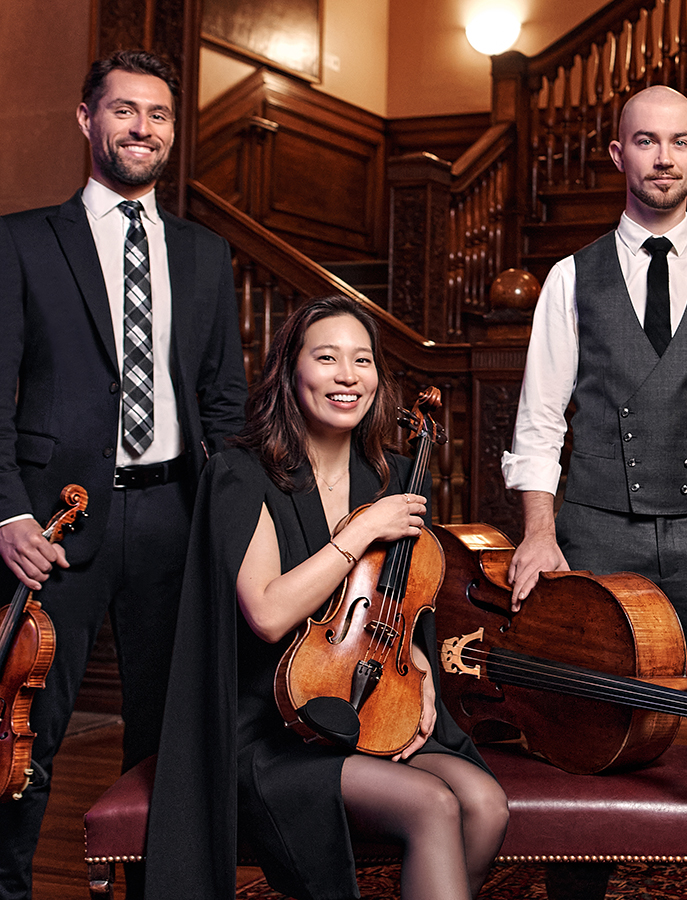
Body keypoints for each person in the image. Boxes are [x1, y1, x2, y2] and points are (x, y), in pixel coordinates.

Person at [143, 296, 508, 900]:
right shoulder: (243, 472)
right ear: (291, 371)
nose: (347, 376)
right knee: (432, 805)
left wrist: (414, 672)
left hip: (369, 705)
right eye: (327, 358)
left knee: (486, 803)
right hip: (274, 726)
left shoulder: (388, 476)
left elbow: (399, 613)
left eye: (362, 361)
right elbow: (265, 613)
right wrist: (360, 531)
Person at [0, 49, 247, 897]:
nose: (142, 128)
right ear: (86, 119)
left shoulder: (206, 254)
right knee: (27, 725)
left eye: (159, 115)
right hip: (54, 526)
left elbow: (225, 404)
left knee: (163, 730)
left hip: (175, 516)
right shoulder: (23, 241)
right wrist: (7, 516)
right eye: (124, 111)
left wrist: (227, 518)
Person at [502, 84, 687, 790]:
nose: (663, 157)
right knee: (588, 732)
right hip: (598, 533)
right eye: (645, 140)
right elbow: (538, 420)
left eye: (678, 142)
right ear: (617, 154)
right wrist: (540, 533)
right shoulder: (569, 279)